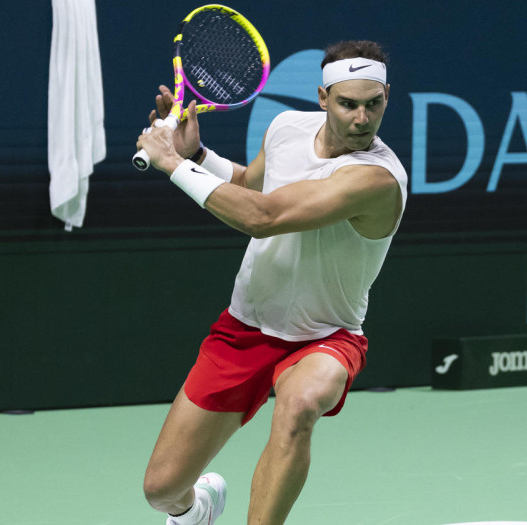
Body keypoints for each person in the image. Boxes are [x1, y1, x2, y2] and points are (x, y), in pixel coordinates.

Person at [134, 40, 406, 525]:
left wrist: (173, 165)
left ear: (387, 97)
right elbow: (250, 187)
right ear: (323, 98)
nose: (362, 118)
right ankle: (195, 511)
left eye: (374, 103)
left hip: (327, 337)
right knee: (161, 490)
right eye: (348, 104)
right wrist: (195, 152)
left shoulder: (378, 179)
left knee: (300, 405)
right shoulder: (285, 128)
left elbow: (263, 216)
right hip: (245, 329)